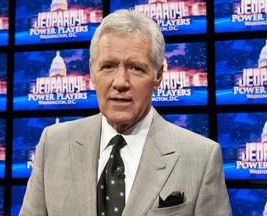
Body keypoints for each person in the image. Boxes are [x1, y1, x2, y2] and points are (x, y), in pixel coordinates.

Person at [19, 9, 232, 216]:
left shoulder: (202, 157)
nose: (120, 82)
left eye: (136, 68)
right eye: (108, 66)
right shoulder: (53, 143)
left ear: (158, 75)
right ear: (92, 71)